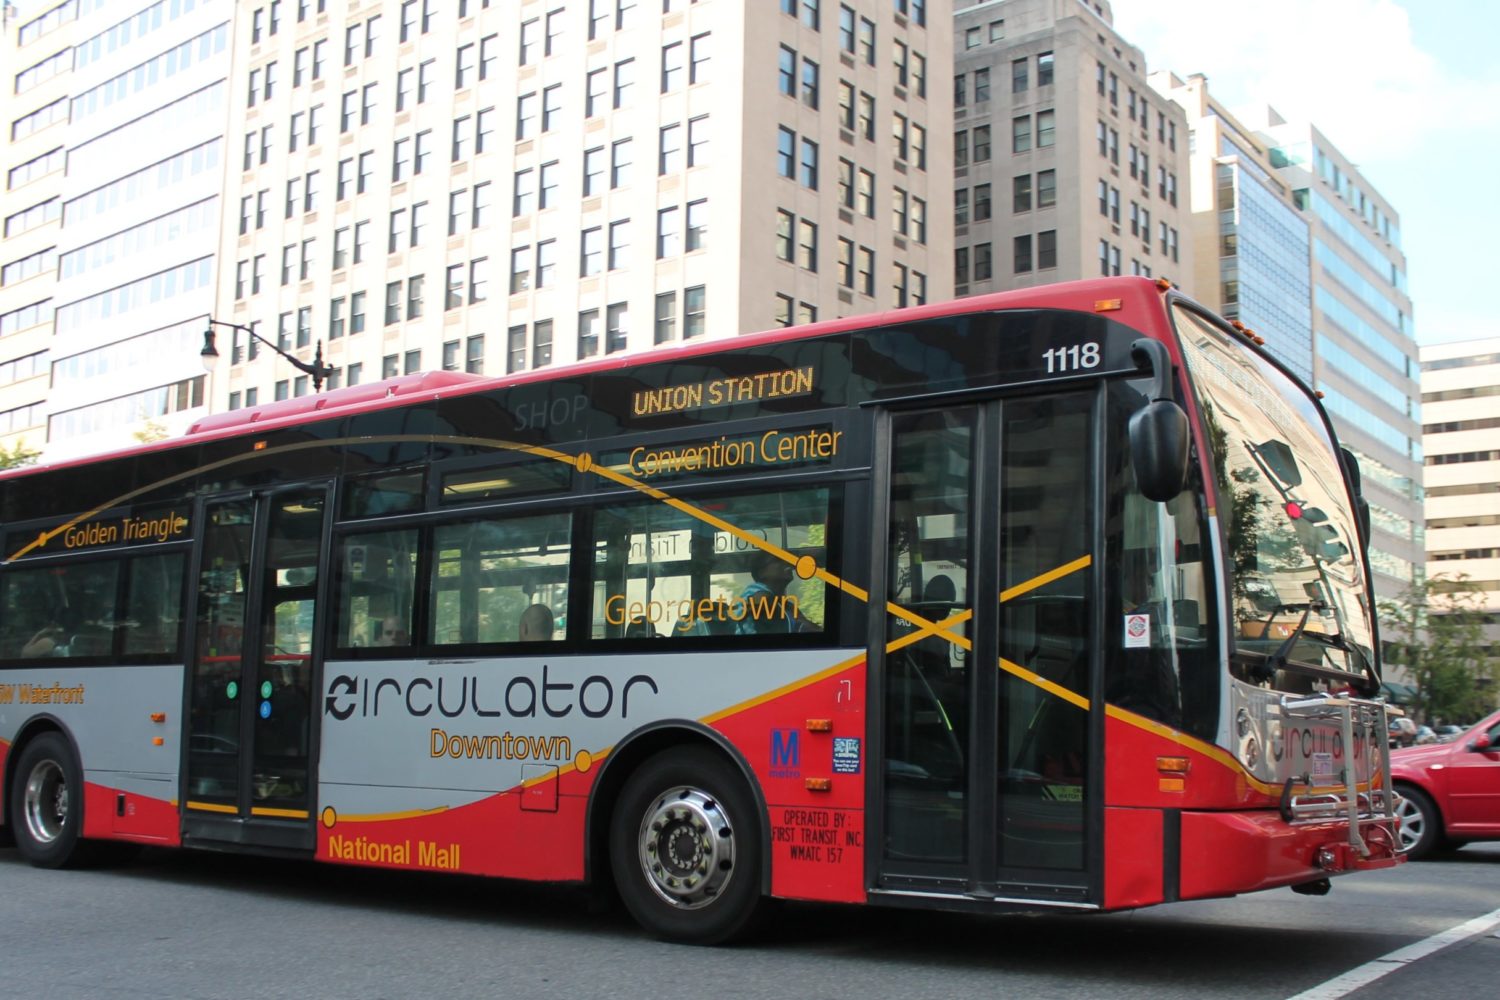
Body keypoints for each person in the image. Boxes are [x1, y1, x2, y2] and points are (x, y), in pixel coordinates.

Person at [735, 551, 804, 634]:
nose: (787, 563)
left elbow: (805, 625)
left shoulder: (789, 606)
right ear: (762, 573)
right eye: (778, 560)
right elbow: (759, 600)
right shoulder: (754, 589)